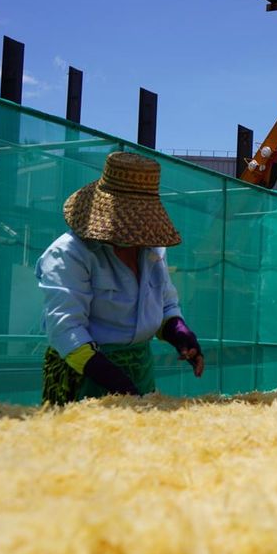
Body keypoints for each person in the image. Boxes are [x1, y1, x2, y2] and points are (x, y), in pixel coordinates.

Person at [36, 151, 204, 404]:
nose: (135, 232)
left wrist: (179, 333)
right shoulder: (69, 253)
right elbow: (65, 329)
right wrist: (117, 384)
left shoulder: (152, 247)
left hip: (140, 369)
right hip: (86, 373)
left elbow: (165, 303)